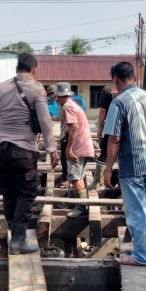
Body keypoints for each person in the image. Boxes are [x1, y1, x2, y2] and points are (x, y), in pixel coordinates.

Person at [0, 54, 59, 254]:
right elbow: (45, 121)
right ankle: (18, 242)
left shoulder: (0, 88)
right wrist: (52, 149)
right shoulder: (36, 89)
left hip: (2, 149)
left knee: (8, 194)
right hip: (24, 150)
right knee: (26, 194)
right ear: (34, 69)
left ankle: (15, 239)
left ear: (17, 67)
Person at [102, 61, 146, 266]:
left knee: (136, 212)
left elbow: (114, 139)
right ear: (134, 78)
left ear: (116, 79)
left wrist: (108, 169)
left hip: (133, 164)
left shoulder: (118, 102)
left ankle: (142, 256)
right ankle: (141, 249)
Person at [53, 82, 95, 218]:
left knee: (74, 177)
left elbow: (74, 128)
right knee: (79, 177)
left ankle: (81, 208)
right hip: (84, 145)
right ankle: (82, 204)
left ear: (58, 96)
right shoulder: (72, 105)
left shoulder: (67, 107)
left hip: (78, 147)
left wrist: (69, 149)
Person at [95, 83, 117, 188]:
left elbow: (103, 110)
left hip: (111, 125)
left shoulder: (108, 89)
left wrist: (100, 128)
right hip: (126, 128)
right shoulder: (133, 89)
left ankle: (98, 183)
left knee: (105, 153)